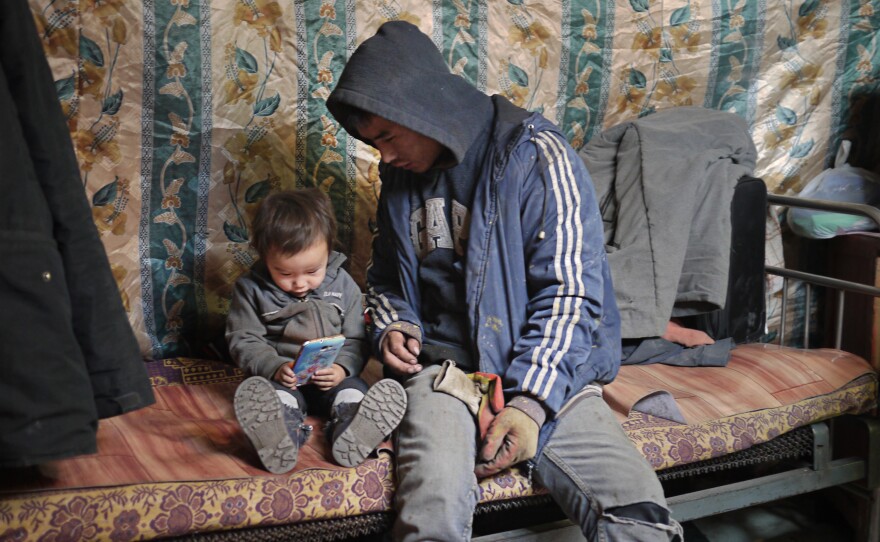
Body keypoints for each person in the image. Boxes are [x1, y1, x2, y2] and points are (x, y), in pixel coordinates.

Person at [327, 21, 682, 542]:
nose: (383, 155)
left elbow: (572, 294)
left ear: (423, 109)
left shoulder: (536, 154)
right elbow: (383, 279)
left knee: (640, 517)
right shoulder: (400, 178)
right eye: (371, 142)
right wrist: (395, 324)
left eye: (386, 136)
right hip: (445, 375)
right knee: (433, 511)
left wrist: (530, 406)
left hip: (544, 373)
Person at [226, 188, 407, 474]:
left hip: (332, 379)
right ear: (264, 256)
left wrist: (342, 369)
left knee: (353, 393)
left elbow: (357, 338)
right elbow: (243, 339)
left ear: (328, 251)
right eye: (285, 274)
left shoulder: (343, 283)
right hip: (285, 380)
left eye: (312, 271)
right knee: (277, 400)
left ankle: (353, 431)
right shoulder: (250, 289)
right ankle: (281, 436)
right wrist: (275, 366)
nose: (300, 283)